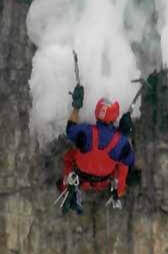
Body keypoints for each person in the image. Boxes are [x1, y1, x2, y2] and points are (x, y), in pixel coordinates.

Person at [58, 83, 135, 214]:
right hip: (104, 181)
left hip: (80, 177)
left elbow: (70, 130)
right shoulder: (119, 142)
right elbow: (130, 160)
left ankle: (69, 185)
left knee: (70, 155)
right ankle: (119, 191)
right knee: (122, 163)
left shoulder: (86, 131)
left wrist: (76, 106)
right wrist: (124, 135)